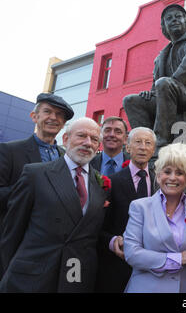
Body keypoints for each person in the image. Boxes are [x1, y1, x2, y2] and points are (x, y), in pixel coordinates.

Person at [0, 117, 107, 292]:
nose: (88, 143)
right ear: (65, 139)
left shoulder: (101, 183)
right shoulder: (35, 174)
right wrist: (10, 270)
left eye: (94, 139)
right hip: (29, 279)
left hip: (75, 277)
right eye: (81, 136)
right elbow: (12, 230)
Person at [123, 4, 186, 151]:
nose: (174, 20)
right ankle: (143, 139)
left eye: (178, 17)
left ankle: (159, 141)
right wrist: (150, 94)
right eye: (169, 18)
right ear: (164, 27)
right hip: (167, 94)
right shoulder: (161, 56)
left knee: (165, 84)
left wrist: (175, 80)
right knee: (130, 100)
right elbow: (157, 85)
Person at [123, 143, 186, 293]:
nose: (172, 178)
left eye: (179, 173)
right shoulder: (140, 207)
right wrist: (178, 258)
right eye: (167, 171)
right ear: (158, 175)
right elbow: (132, 254)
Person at [0, 93, 73, 233]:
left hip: (54, 239)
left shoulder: (67, 157)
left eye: (59, 114)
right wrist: (31, 188)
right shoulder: (9, 151)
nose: (53, 117)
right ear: (34, 116)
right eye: (47, 111)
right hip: (17, 236)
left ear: (63, 124)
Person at [96, 127, 158, 292]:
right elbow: (97, 226)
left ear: (153, 150)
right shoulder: (111, 182)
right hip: (117, 266)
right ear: (128, 148)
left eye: (148, 143)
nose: (143, 147)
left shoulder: (161, 183)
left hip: (150, 268)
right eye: (138, 142)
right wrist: (111, 241)